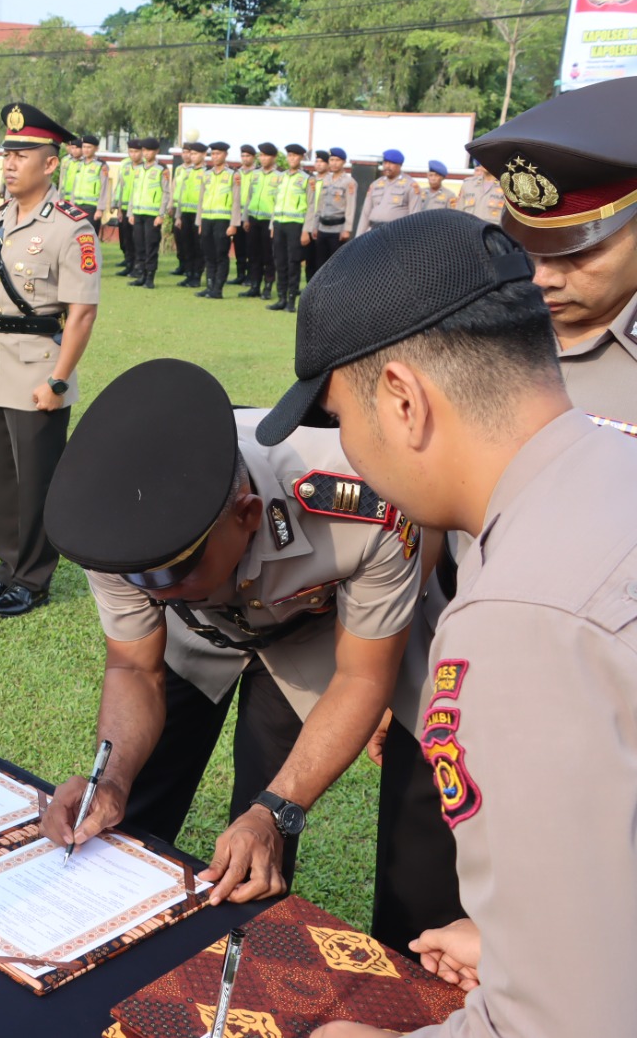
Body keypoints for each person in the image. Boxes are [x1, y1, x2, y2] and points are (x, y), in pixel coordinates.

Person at [254, 210, 637, 1038]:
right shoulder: (611, 474)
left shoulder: (519, 619)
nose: (348, 451)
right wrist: (516, 943)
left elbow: (569, 1025)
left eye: (340, 419)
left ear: (402, 398)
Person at [361, 77, 637, 955]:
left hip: (591, 727)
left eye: (578, 247)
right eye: (528, 245)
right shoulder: (487, 319)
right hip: (444, 695)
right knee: (412, 934)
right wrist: (389, 666)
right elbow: (424, 513)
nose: (544, 276)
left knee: (569, 956)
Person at [39, 357, 422, 911]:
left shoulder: (364, 502)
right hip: (195, 633)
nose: (155, 588)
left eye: (175, 571)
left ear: (247, 515)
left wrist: (274, 811)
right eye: (143, 577)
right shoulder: (117, 531)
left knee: (256, 844)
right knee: (128, 801)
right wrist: (113, 778)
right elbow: (134, 667)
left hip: (308, 634)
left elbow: (363, 676)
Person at [0, 103, 99, 617]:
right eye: (7, 153)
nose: (10, 162)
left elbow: (81, 314)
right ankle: (7, 566)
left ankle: (33, 579)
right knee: (1, 478)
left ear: (51, 163)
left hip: (40, 366)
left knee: (36, 480)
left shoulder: (71, 227)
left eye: (23, 154)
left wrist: (58, 381)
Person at [195, 141, 242, 299]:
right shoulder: (207, 174)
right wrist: (199, 222)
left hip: (223, 220)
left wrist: (234, 224)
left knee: (221, 254)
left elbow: (236, 201)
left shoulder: (233, 175)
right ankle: (209, 286)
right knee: (208, 254)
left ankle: (218, 289)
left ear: (225, 155)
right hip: (207, 219)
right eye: (213, 154)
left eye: (218, 154)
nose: (215, 157)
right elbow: (201, 199)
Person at [268, 143, 311, 312]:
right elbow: (276, 202)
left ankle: (292, 300)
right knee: (280, 261)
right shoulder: (281, 177)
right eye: (289, 156)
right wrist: (272, 224)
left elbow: (311, 207)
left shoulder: (307, 178)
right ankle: (281, 298)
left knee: (293, 262)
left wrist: (306, 229)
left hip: (295, 225)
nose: (292, 159)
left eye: (295, 156)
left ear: (301, 158)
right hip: (279, 223)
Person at [304, 146, 357, 280]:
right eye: (331, 160)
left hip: (337, 229)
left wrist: (347, 229)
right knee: (320, 263)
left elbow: (350, 207)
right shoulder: (325, 180)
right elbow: (320, 205)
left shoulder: (349, 182)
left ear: (344, 162)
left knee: (336, 263)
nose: (334, 163)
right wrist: (315, 225)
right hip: (322, 227)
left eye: (337, 160)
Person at [240, 142, 281, 301]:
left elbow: (279, 201)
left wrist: (273, 223)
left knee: (268, 255)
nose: (263, 159)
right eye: (261, 155)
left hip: (268, 221)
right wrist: (245, 218)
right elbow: (249, 196)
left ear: (274, 157)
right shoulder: (255, 174)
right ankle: (254, 286)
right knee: (253, 254)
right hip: (253, 218)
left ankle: (268, 286)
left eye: (266, 155)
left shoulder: (280, 176)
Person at [128, 138, 170, 288]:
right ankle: (141, 276)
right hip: (138, 213)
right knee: (139, 245)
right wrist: (130, 212)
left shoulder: (162, 170)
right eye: (144, 150)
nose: (146, 153)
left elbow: (166, 193)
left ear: (157, 151)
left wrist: (161, 214)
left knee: (150, 246)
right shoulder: (138, 169)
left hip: (152, 215)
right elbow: (134, 191)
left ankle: (150, 278)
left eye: (149, 150)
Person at [354, 149, 418, 235]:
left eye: (391, 163)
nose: (387, 166)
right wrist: (359, 236)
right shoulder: (375, 184)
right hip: (374, 230)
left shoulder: (410, 185)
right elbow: (365, 214)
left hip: (396, 232)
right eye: (385, 163)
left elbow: (414, 216)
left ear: (400, 165)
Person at [172, 141, 208, 286]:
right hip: (185, 213)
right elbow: (181, 194)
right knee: (186, 245)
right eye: (191, 153)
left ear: (204, 155)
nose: (192, 157)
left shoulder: (207, 173)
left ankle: (197, 276)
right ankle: (189, 274)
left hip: (198, 214)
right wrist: (178, 215)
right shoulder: (186, 172)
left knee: (198, 247)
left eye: (195, 154)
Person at [70, 135, 108, 233]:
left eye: (89, 147)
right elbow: (75, 185)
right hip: (77, 205)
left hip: (91, 207)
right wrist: (71, 204)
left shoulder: (101, 165)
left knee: (89, 236)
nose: (86, 150)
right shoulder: (79, 164)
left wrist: (100, 209)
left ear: (96, 148)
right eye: (84, 147)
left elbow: (104, 188)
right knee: (76, 236)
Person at [113, 139, 140, 273]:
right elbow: (121, 187)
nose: (133, 154)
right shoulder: (125, 165)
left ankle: (137, 266)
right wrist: (118, 207)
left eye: (136, 151)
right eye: (131, 151)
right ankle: (129, 264)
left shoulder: (145, 167)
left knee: (137, 239)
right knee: (126, 238)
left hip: (138, 208)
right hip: (123, 207)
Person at [232, 144, 257, 284]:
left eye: (247, 156)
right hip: (237, 213)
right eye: (243, 156)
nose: (245, 159)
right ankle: (240, 274)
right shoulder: (236, 172)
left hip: (251, 214)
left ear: (253, 157)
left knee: (251, 247)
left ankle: (250, 275)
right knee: (239, 245)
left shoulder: (257, 172)